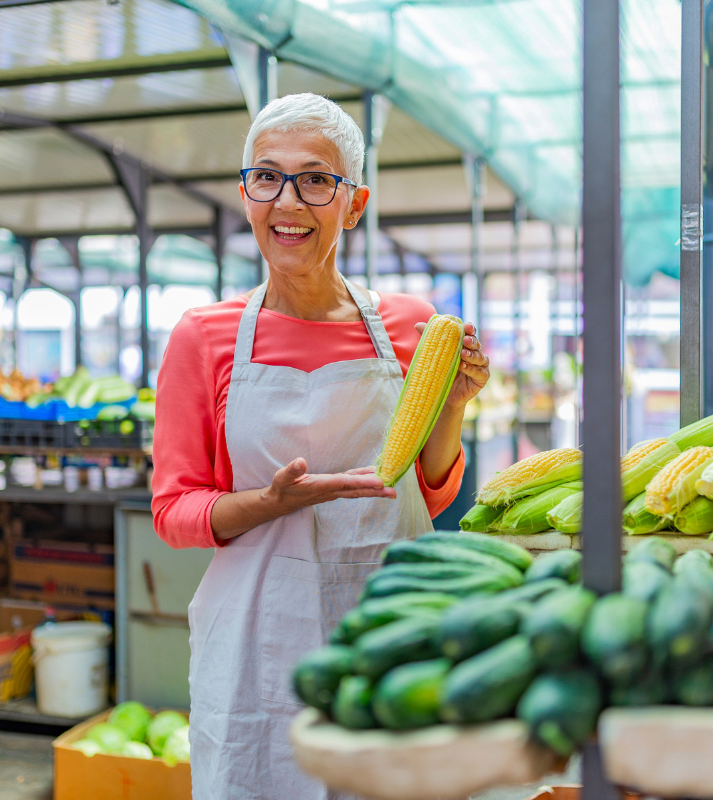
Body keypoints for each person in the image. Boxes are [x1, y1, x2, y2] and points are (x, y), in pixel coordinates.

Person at [151, 93, 491, 800]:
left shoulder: (410, 325)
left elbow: (425, 491)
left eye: (315, 179)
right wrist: (267, 504)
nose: (288, 201)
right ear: (246, 193)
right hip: (254, 640)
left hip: (386, 625)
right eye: (266, 177)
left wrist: (452, 406)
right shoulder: (203, 336)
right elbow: (175, 511)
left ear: (354, 202)